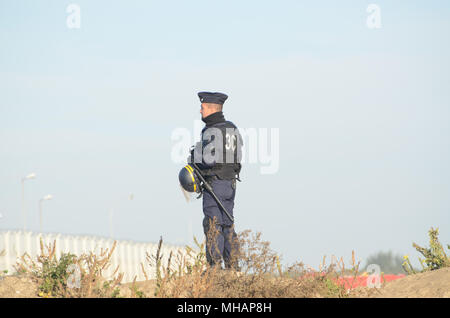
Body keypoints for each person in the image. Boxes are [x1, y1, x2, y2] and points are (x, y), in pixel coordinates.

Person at [188, 91, 243, 270]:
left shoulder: (212, 130)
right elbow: (238, 155)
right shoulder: (232, 127)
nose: (200, 111)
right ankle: (233, 267)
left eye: (202, 108)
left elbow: (208, 159)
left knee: (213, 224)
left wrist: (194, 153)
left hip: (215, 184)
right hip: (230, 184)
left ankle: (215, 268)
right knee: (228, 223)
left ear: (211, 109)